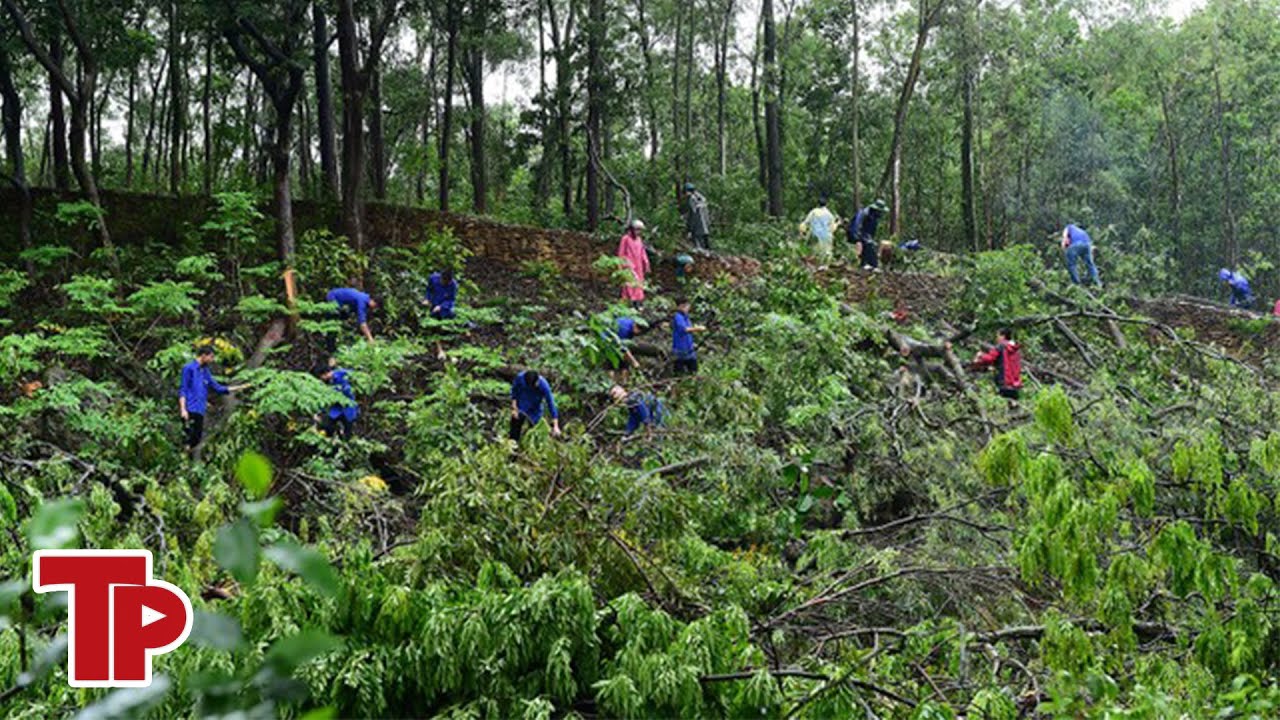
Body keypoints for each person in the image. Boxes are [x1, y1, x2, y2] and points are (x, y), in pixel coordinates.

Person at [178, 345, 241, 456]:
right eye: (211, 357)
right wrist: (183, 409)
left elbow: (216, 387)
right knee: (188, 437)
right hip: (190, 408)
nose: (212, 360)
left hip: (200, 409)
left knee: (197, 437)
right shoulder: (189, 368)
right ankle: (182, 461)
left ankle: (190, 462)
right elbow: (183, 389)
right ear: (203, 356)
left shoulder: (205, 371)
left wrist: (237, 388)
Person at [970, 328, 1023, 400]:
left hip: (1004, 381)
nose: (996, 339)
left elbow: (990, 358)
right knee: (1014, 404)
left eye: (997, 336)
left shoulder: (1001, 346)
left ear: (1003, 336)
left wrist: (980, 355)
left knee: (1003, 402)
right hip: (1015, 383)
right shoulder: (1016, 349)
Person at [510, 370, 562, 441]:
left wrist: (556, 426)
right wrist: (514, 408)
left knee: (533, 433)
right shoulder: (520, 378)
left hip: (535, 409)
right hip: (521, 405)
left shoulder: (544, 385)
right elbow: (514, 391)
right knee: (515, 427)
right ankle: (513, 444)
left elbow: (551, 404)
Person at [314, 361, 358, 440]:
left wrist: (337, 390)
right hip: (335, 410)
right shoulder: (326, 382)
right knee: (327, 426)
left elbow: (348, 389)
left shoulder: (342, 375)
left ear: (326, 374)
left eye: (322, 376)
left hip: (348, 408)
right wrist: (319, 412)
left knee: (348, 432)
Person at [617, 220, 651, 307]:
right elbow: (621, 253)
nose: (638, 232)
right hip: (628, 266)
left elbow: (642, 252)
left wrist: (646, 264)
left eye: (640, 230)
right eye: (637, 230)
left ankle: (637, 303)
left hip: (638, 266)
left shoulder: (639, 240)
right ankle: (629, 303)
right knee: (629, 285)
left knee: (638, 285)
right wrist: (621, 266)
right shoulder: (625, 239)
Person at [848, 199, 888, 270]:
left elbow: (871, 232)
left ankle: (871, 265)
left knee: (872, 245)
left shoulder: (874, 217)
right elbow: (855, 226)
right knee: (868, 244)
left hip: (865, 236)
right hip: (856, 235)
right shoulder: (863, 213)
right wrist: (857, 240)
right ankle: (865, 264)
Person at [672, 298, 706, 375]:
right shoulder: (678, 317)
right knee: (679, 370)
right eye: (686, 306)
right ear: (681, 306)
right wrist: (698, 329)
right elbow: (685, 329)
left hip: (689, 348)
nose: (688, 308)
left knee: (693, 369)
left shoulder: (686, 317)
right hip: (680, 349)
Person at [799, 197, 839, 262]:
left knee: (815, 253)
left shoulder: (814, 212)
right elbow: (832, 229)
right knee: (826, 253)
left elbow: (806, 222)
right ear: (826, 204)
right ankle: (825, 267)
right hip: (827, 236)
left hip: (815, 235)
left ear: (818, 204)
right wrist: (837, 223)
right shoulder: (829, 214)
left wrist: (802, 232)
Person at [682, 183, 712, 251]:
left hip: (697, 228)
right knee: (706, 245)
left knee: (699, 248)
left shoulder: (692, 199)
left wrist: (689, 228)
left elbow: (693, 214)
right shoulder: (702, 199)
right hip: (705, 227)